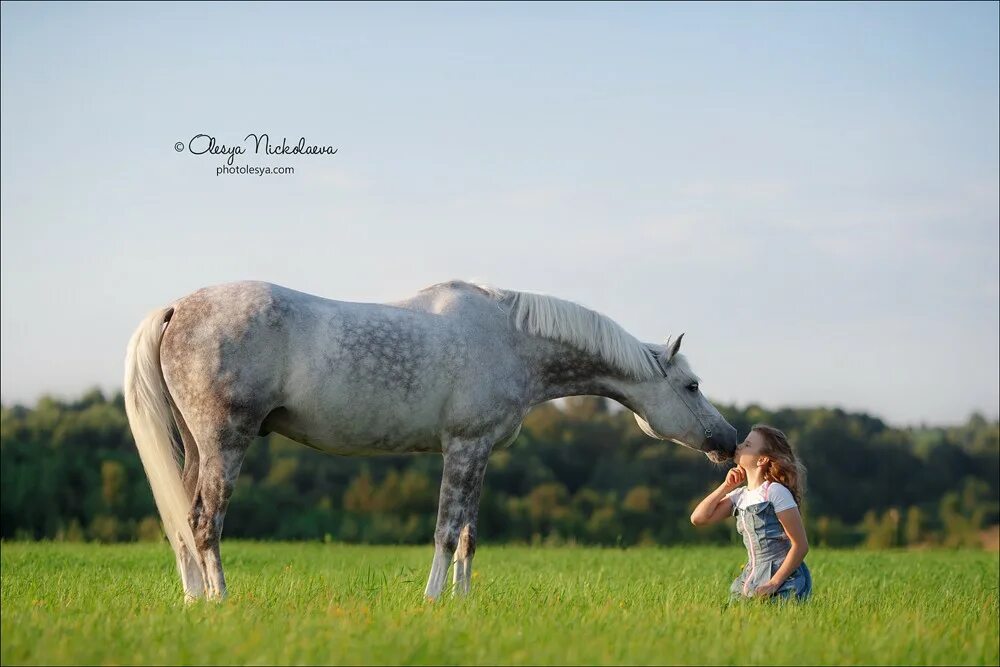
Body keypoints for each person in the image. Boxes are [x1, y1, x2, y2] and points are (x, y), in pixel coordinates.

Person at [690, 424, 812, 601]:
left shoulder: (775, 492)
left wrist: (773, 583)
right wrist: (726, 486)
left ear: (762, 460)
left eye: (747, 445)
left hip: (785, 579)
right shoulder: (740, 496)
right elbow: (698, 518)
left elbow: (800, 545)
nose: (739, 446)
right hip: (752, 576)